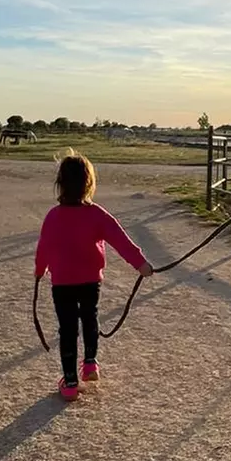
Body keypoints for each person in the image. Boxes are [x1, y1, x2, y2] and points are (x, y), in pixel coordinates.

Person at [34, 152, 153, 401]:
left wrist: (39, 270)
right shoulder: (98, 214)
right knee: (90, 318)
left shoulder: (53, 216)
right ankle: (90, 364)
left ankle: (69, 382)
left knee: (67, 328)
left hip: (63, 282)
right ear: (89, 183)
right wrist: (140, 264)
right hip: (90, 280)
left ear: (60, 184)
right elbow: (121, 240)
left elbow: (43, 247)